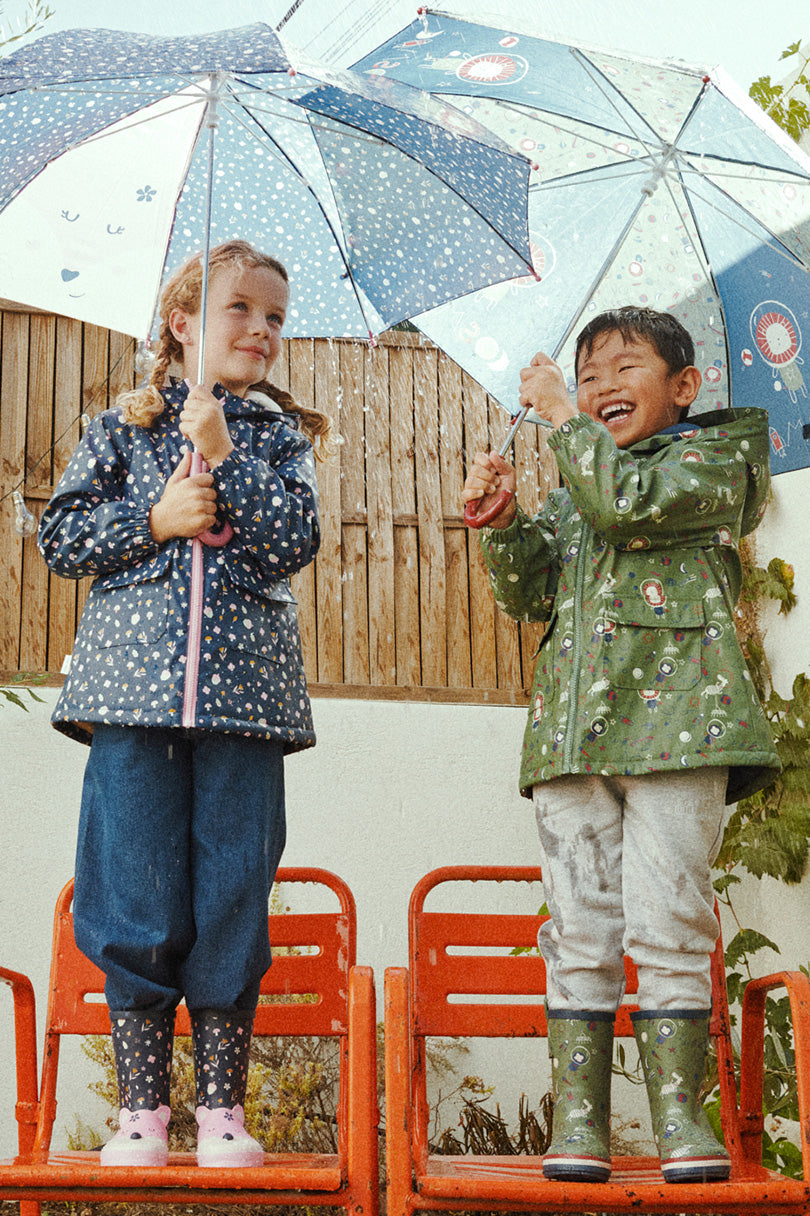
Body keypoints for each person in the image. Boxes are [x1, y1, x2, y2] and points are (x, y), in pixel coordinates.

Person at [462, 307, 780, 1185]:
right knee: (579, 928)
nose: (600, 386)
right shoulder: (579, 484)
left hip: (683, 728)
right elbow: (533, 592)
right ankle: (582, 1122)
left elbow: (627, 506)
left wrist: (563, 418)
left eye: (624, 367)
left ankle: (680, 1119)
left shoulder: (717, 459)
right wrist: (504, 524)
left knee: (672, 921)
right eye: (588, 371)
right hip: (573, 740)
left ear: (684, 388)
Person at [38, 240, 331, 1169]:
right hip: (131, 701)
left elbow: (293, 542)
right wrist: (152, 520)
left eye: (276, 317)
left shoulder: (278, 438)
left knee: (234, 890)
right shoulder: (118, 430)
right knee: (134, 891)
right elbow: (61, 535)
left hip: (248, 707)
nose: (262, 331)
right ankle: (139, 1113)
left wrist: (225, 454)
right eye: (241, 309)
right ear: (182, 322)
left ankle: (221, 1114)